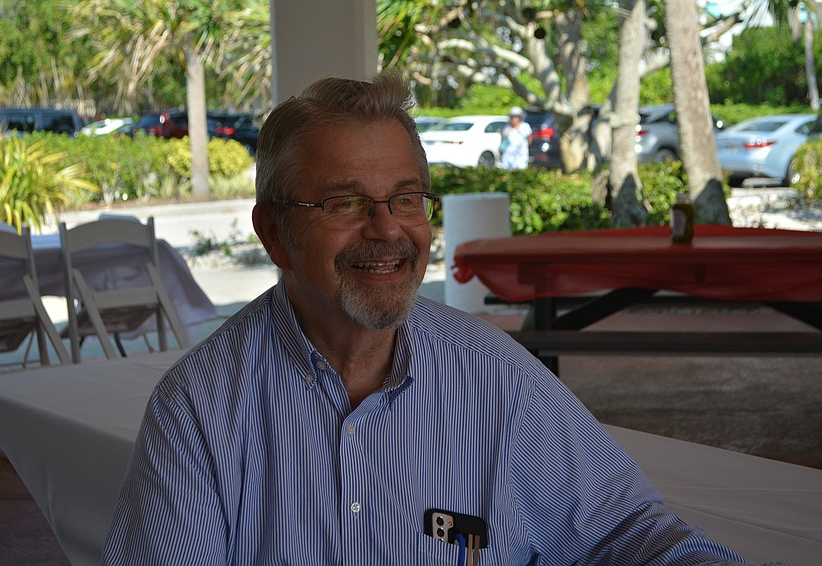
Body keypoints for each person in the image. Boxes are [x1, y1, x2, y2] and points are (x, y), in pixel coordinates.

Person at [101, 71, 750, 565]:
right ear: (275, 234)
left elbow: (624, 532)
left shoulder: (495, 377)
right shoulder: (199, 410)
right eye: (344, 202)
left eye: (406, 198)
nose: (386, 229)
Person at [499, 106, 532, 170]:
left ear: (520, 118)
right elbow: (502, 142)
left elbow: (529, 139)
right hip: (508, 158)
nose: (514, 119)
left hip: (521, 157)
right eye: (512, 117)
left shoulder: (525, 127)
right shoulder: (506, 128)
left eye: (516, 117)